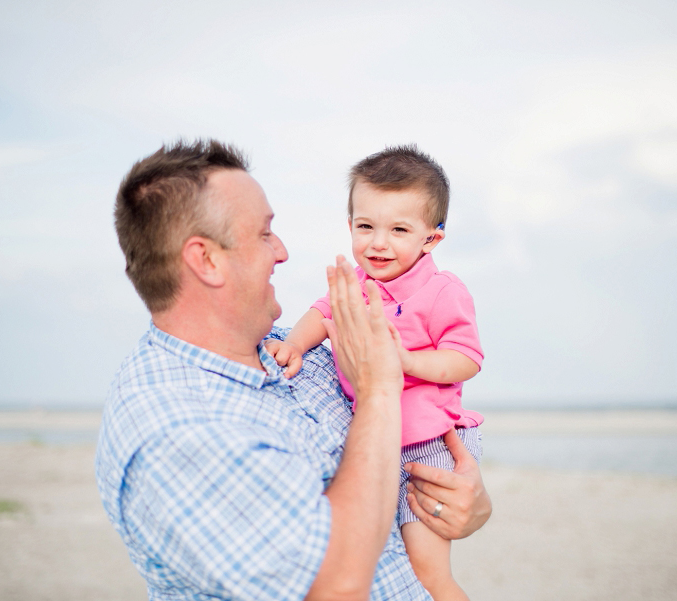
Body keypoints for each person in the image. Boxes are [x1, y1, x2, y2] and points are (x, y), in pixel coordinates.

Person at [95, 139, 492, 601]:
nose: (282, 252)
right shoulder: (175, 430)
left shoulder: (293, 354)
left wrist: (470, 504)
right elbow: (334, 586)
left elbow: (421, 427)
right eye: (264, 233)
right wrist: (381, 386)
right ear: (205, 260)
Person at [265, 145, 482, 600]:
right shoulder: (356, 286)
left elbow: (466, 357)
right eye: (365, 227)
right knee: (388, 554)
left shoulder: (441, 291)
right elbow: (322, 313)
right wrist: (293, 344)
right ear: (350, 227)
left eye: (399, 230)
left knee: (428, 571)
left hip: (428, 443)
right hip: (379, 439)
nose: (378, 243)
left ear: (431, 238)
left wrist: (408, 362)